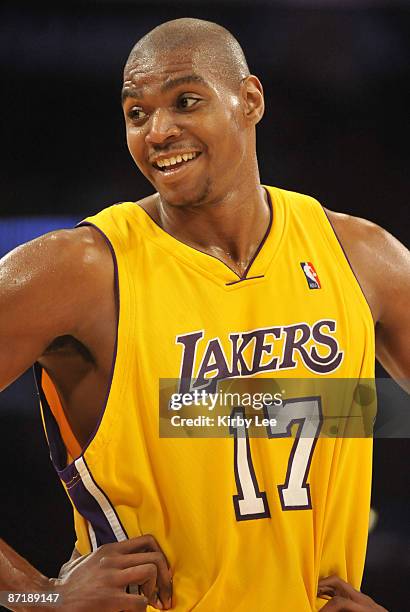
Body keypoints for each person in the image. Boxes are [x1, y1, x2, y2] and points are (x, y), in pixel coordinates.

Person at [0, 17, 408, 612]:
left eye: (185, 102)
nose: (159, 131)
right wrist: (37, 596)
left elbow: (235, 413)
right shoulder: (80, 270)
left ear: (249, 100)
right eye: (136, 113)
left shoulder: (360, 256)